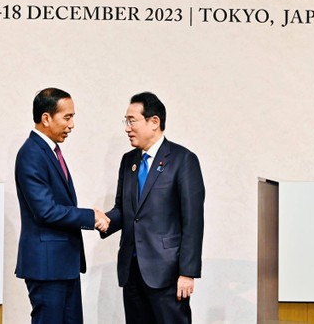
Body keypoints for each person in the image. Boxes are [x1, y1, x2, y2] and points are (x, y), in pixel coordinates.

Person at [102, 92, 205, 324]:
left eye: (132, 121)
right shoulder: (129, 161)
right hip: (132, 270)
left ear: (154, 122)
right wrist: (102, 220)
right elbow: (124, 211)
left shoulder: (183, 160)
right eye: (125, 121)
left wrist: (187, 272)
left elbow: (193, 221)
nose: (127, 128)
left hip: (167, 272)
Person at [14, 87, 109, 324]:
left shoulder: (50, 151)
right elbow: (45, 210)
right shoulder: (31, 154)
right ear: (46, 118)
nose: (72, 125)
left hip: (63, 264)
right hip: (47, 267)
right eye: (67, 117)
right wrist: (90, 217)